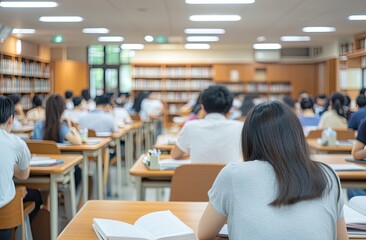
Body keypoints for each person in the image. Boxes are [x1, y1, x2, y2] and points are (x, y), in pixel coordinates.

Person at [198, 101, 347, 240]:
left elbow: (204, 234)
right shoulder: (328, 174)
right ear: (296, 136)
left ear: (249, 139)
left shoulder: (233, 174)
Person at [0, 96, 43, 240]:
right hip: (4, 218)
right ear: (11, 120)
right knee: (35, 195)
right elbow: (24, 176)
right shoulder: (17, 143)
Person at [171, 85, 243, 163]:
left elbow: (175, 155)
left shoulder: (190, 126)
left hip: (198, 175)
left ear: (203, 108)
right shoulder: (240, 127)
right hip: (230, 175)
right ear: (229, 110)